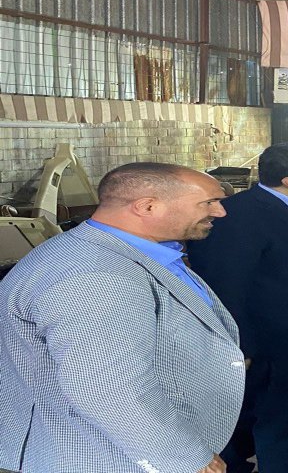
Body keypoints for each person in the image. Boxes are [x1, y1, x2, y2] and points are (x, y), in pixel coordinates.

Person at [0, 162, 242, 473]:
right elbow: (108, 387)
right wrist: (184, 458)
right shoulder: (98, 277)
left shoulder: (122, 251)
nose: (220, 212)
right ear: (147, 206)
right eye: (209, 202)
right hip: (102, 455)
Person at [187, 143, 288, 473]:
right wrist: (243, 346)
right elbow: (225, 288)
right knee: (282, 419)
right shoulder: (239, 218)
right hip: (277, 343)